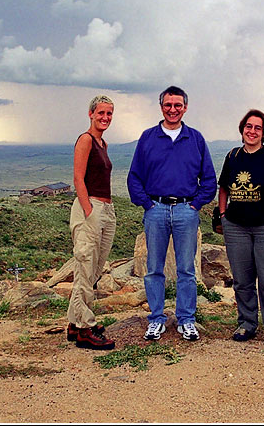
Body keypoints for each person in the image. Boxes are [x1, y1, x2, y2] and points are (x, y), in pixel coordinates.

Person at [127, 86, 217, 341]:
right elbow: (134, 176)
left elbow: (209, 179)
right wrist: (147, 204)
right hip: (156, 210)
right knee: (154, 268)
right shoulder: (148, 137)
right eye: (168, 105)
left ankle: (186, 320)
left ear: (185, 108)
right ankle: (156, 319)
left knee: (186, 269)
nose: (173, 109)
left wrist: (196, 205)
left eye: (178, 105)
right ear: (161, 107)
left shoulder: (196, 139)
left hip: (186, 211)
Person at [217, 109, 264, 348]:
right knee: (242, 280)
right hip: (237, 227)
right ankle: (247, 324)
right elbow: (223, 188)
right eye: (248, 127)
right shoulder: (232, 156)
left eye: (257, 128)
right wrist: (223, 215)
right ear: (242, 129)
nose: (252, 131)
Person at [66, 95, 117, 350]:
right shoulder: (85, 140)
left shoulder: (102, 143)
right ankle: (85, 328)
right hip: (91, 208)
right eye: (101, 113)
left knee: (94, 267)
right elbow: (78, 178)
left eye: (109, 114)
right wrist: (89, 211)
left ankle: (75, 322)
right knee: (85, 266)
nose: (105, 118)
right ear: (91, 114)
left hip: (106, 207)